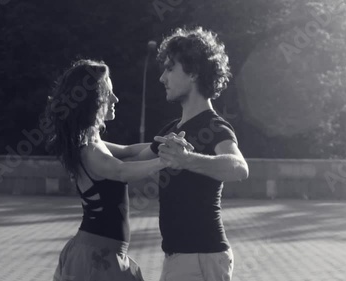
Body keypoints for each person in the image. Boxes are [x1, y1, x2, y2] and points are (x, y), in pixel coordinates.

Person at [105, 27, 249, 281]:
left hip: (201, 257)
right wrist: (81, 139)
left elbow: (239, 167)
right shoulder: (172, 131)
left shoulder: (214, 126)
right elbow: (127, 155)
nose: (162, 77)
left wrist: (188, 160)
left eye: (170, 68)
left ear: (193, 72)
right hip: (180, 257)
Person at [44, 59, 177, 281]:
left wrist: (162, 144)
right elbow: (122, 171)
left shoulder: (91, 143)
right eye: (109, 94)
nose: (115, 99)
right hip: (96, 258)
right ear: (93, 101)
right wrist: (165, 161)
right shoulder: (89, 150)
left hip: (100, 253)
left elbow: (129, 151)